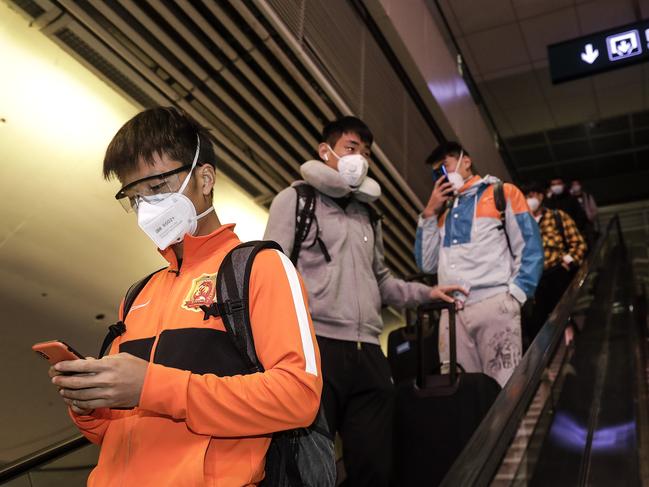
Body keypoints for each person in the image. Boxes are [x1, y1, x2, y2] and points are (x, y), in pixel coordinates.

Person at [48, 107, 323, 486]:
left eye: (157, 188)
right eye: (135, 196)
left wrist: (152, 386)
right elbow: (112, 433)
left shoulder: (259, 267)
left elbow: (298, 397)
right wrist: (90, 405)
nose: (147, 207)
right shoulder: (139, 294)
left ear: (205, 178)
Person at [263, 116, 462, 487]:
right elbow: (272, 272)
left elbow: (382, 280)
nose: (360, 158)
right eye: (351, 148)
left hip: (370, 351)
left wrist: (426, 293)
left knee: (374, 466)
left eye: (365, 152)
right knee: (308, 467)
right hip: (317, 347)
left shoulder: (369, 214)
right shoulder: (295, 200)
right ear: (326, 152)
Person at [414, 142, 544, 387]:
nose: (441, 175)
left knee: (504, 389)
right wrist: (429, 212)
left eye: (445, 166)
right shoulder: (442, 210)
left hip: (494, 303)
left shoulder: (502, 193)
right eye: (436, 173)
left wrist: (515, 296)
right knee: (458, 393)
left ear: (466, 161)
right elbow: (426, 263)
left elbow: (530, 247)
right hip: (451, 312)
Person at [523, 183, 587, 343]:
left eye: (531, 196)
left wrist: (568, 262)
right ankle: (544, 363)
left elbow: (578, 243)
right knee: (535, 323)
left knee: (565, 316)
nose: (529, 200)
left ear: (540, 196)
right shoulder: (522, 223)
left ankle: (572, 348)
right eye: (526, 197)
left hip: (556, 273)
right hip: (533, 279)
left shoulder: (557, 216)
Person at [570, 179, 599, 244]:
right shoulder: (570, 197)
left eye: (577, 184)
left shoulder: (587, 196)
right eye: (573, 185)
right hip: (575, 222)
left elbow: (594, 208)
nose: (575, 186)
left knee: (590, 239)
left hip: (587, 221)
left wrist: (591, 217)